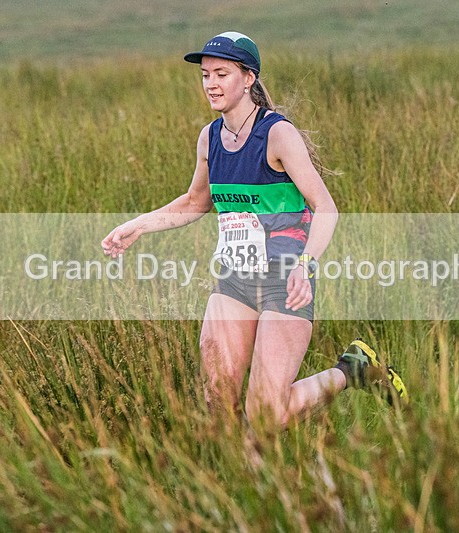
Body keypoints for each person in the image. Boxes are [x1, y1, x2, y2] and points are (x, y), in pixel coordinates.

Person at [101, 31, 408, 430]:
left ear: (248, 78)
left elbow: (326, 207)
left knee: (265, 416)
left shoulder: (278, 134)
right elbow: (196, 202)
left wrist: (306, 263)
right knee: (217, 402)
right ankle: (240, 484)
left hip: (285, 282)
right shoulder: (210, 138)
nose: (211, 83)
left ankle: (351, 370)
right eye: (206, 74)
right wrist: (136, 226)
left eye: (222, 73)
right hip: (235, 282)